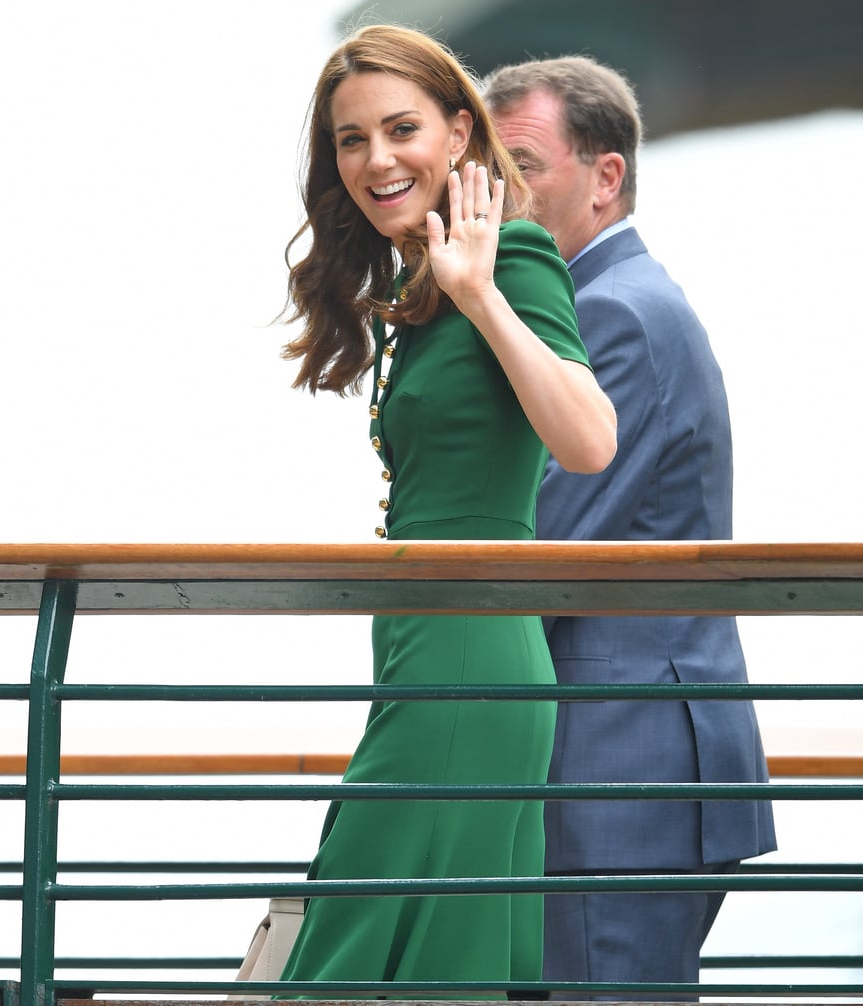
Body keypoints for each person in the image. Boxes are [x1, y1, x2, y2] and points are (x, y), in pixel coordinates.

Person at [274, 24, 617, 996]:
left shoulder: (505, 258)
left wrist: (480, 295)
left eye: (400, 128)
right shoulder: (418, 283)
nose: (375, 159)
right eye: (350, 140)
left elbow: (589, 438)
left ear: (460, 133)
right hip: (423, 651)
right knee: (417, 960)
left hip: (470, 659)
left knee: (354, 955)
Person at [482, 56, 777, 999]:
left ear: (605, 177)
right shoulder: (608, 302)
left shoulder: (610, 311)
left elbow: (543, 546)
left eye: (521, 163)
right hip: (635, 752)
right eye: (485, 165)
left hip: (619, 760)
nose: (497, 193)